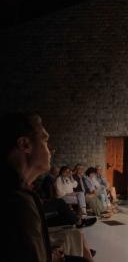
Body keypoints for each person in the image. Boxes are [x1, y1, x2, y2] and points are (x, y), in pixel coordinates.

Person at [0, 112, 90, 261]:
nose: (51, 150)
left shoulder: (19, 189)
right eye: (45, 140)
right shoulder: (17, 200)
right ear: (25, 145)